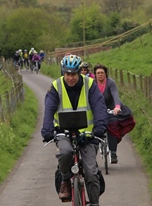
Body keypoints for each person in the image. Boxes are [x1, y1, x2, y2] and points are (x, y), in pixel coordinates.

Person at [41, 54, 108, 206]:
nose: (70, 78)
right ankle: (65, 180)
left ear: (79, 72)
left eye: (73, 74)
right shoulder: (56, 86)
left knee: (91, 172)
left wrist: (100, 128)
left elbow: (99, 107)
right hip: (63, 133)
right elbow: (48, 110)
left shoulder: (90, 84)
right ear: (63, 73)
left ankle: (95, 203)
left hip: (88, 134)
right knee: (65, 152)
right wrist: (47, 131)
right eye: (67, 74)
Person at [93, 64, 136, 164]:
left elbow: (115, 95)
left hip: (111, 107)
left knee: (113, 125)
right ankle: (91, 156)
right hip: (98, 108)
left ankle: (113, 153)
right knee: (94, 129)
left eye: (102, 73)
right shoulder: (93, 84)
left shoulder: (110, 83)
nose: (100, 75)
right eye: (98, 73)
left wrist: (117, 107)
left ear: (106, 73)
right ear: (95, 74)